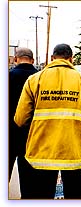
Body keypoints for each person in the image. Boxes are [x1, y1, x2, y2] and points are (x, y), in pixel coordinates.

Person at [14, 43, 81, 199]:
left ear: (51, 58)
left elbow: (20, 119)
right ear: (71, 59)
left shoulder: (34, 80)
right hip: (74, 155)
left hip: (41, 155)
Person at [9, 47, 38, 183]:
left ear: (15, 59)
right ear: (32, 60)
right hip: (32, 133)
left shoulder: (7, 77)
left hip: (8, 132)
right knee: (29, 179)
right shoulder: (39, 78)